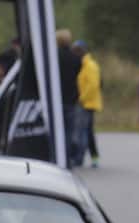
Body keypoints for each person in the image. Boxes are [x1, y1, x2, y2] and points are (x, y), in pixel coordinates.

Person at [55, 30, 85, 168]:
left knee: (57, 130)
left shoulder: (55, 56)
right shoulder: (76, 58)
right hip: (71, 98)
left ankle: (56, 157)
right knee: (69, 131)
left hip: (57, 98)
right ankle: (66, 159)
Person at [76, 40, 103, 168]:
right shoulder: (84, 64)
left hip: (87, 104)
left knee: (84, 132)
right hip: (87, 102)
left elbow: (93, 85)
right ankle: (94, 157)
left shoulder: (90, 65)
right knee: (88, 131)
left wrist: (81, 98)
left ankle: (81, 157)